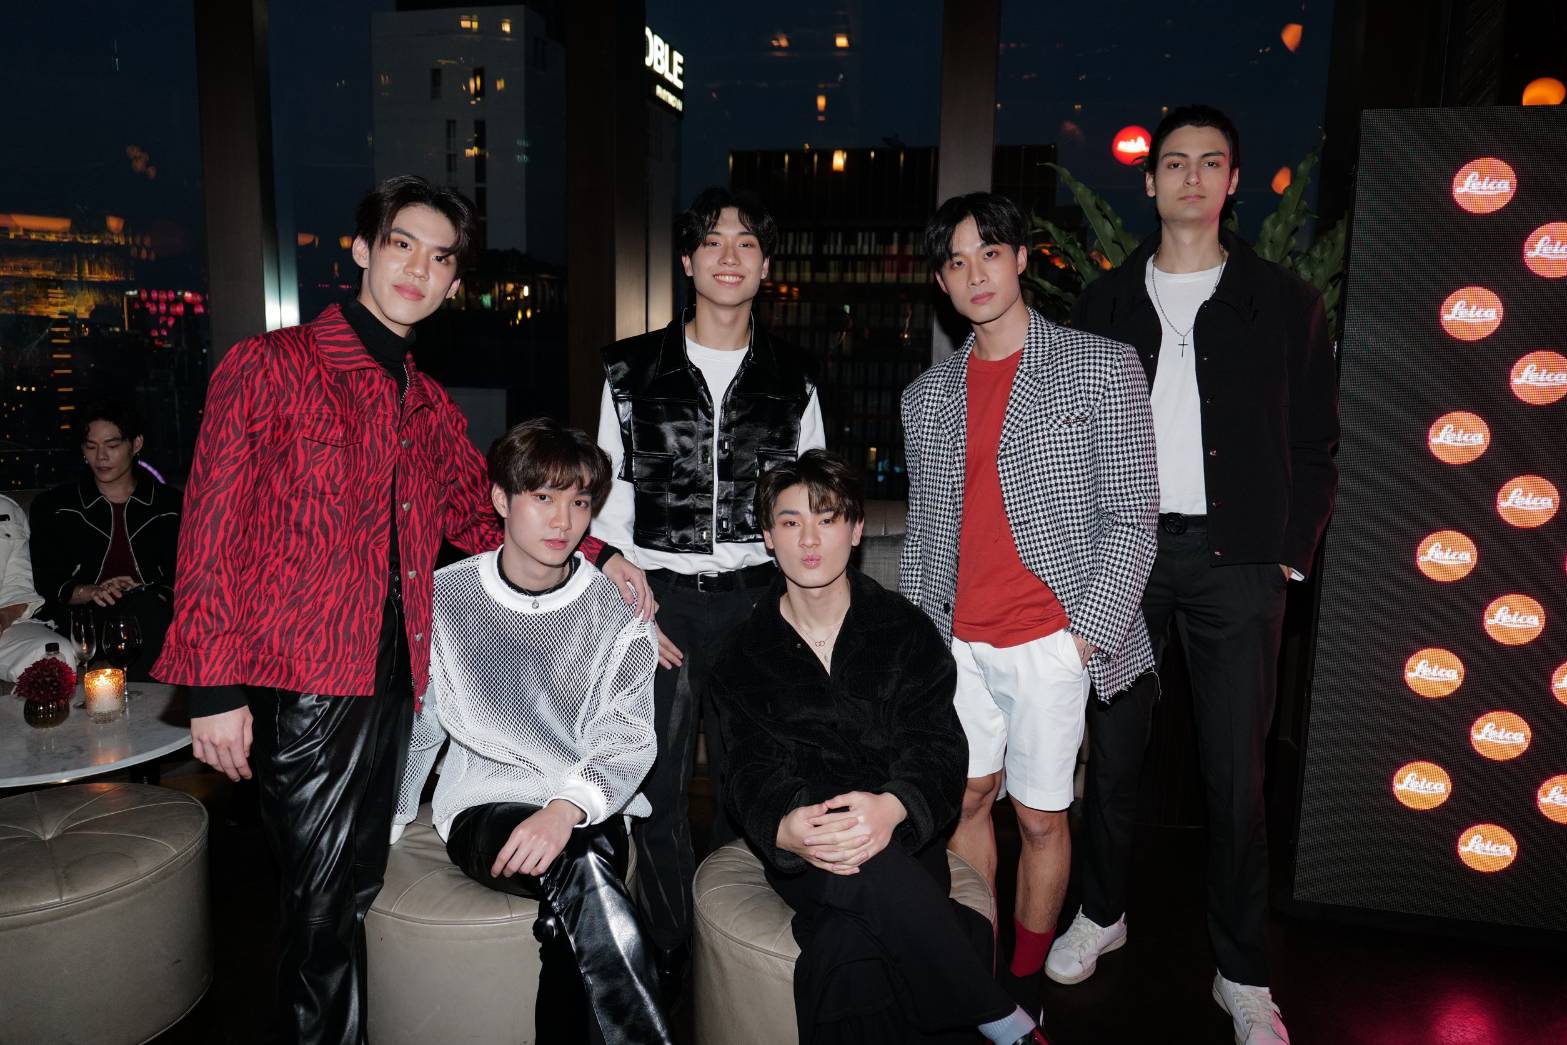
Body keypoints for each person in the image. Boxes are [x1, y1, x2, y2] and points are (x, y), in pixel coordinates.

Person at [153, 175, 650, 1045]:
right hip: (305, 684)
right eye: (402, 245)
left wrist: (599, 553)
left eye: (441, 258)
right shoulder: (270, 365)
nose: (419, 269)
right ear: (361, 250)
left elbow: (484, 516)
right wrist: (213, 686)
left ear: (455, 281)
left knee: (349, 892)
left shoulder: (426, 403)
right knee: (318, 909)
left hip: (400, 681)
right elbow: (210, 526)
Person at [1059, 105, 1339, 1045]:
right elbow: (1070, 438)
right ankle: (1102, 911)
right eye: (1173, 163)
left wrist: (1288, 552)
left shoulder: (1284, 301)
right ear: (1148, 184)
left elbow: (1315, 440)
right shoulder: (1103, 303)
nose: (1189, 177)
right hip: (1124, 556)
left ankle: (1242, 971)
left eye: (1208, 162)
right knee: (1113, 755)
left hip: (1237, 564)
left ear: (1232, 181)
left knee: (1234, 776)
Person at [900, 192, 1159, 997]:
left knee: (1042, 816)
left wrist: (1084, 634)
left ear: (1019, 258)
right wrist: (921, 644)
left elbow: (1132, 514)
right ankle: (978, 971)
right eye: (955, 261)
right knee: (967, 799)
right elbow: (925, 532)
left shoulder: (1100, 365)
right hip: (956, 641)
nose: (974, 273)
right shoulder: (924, 397)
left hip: (1052, 635)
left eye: (988, 252)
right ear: (941, 282)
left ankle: (1023, 987)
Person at [713, 449, 1049, 1045]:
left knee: (845, 948)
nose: (809, 539)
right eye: (790, 521)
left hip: (903, 840)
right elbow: (746, 769)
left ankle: (990, 1003)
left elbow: (939, 748)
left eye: (827, 518)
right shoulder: (741, 652)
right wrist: (785, 825)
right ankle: (1000, 1014)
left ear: (856, 529)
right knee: (859, 875)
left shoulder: (904, 628)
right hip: (809, 851)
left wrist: (892, 807)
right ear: (768, 536)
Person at [593, 186, 825, 999]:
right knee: (653, 787)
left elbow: (809, 507)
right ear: (688, 262)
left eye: (747, 242)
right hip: (655, 600)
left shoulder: (794, 375)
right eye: (713, 242)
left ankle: (728, 941)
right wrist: (618, 587)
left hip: (758, 601)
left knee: (746, 780)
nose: (730, 256)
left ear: (765, 265)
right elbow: (605, 497)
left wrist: (804, 607)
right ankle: (668, 948)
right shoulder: (629, 369)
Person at [392, 418, 671, 1045]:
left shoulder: (616, 610)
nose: (563, 521)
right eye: (543, 497)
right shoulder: (446, 598)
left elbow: (628, 739)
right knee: (585, 864)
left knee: (576, 884)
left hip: (593, 803)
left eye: (579, 502)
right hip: (486, 803)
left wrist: (564, 810)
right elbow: (423, 723)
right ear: (501, 499)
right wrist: (390, 817)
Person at [28, 401, 180, 679]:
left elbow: (185, 571)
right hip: (84, 615)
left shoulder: (171, 506)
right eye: (91, 446)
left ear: (136, 444)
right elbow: (47, 578)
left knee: (145, 610)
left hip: (154, 610)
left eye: (112, 446)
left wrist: (147, 589)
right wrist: (91, 591)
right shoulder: (55, 506)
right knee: (134, 618)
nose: (100, 457)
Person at [0, 493, 60, 683]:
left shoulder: (5, 509)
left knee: (52, 656)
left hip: (7, 627)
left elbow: (18, 589)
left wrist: (3, 618)